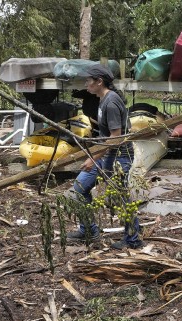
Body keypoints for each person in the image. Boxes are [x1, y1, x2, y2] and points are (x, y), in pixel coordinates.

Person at [66, 64, 143, 250]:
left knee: (120, 196)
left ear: (99, 82)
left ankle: (133, 239)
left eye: (88, 81)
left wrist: (93, 158)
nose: (86, 84)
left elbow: (115, 138)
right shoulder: (103, 99)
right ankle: (88, 230)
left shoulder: (111, 102)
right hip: (106, 153)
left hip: (119, 156)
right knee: (79, 188)